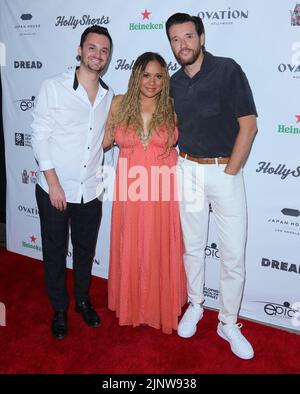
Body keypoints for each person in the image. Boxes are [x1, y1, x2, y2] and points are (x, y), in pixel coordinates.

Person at [166, 13, 258, 358]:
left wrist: (230, 171)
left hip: (225, 171)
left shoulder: (227, 70)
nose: (183, 45)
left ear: (201, 37)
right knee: (192, 246)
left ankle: (229, 322)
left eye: (188, 36)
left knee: (233, 253)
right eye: (175, 40)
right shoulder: (172, 83)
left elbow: (248, 126)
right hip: (186, 168)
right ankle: (195, 304)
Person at [31, 25, 114, 339]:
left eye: (104, 50)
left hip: (90, 190)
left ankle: (81, 300)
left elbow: (102, 140)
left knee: (84, 250)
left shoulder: (109, 95)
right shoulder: (54, 86)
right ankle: (59, 308)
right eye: (92, 48)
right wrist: (53, 183)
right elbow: (39, 138)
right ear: (80, 50)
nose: (98, 55)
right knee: (54, 251)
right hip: (54, 188)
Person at [103, 52, 186, 334]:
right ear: (136, 75)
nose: (152, 82)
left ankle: (159, 306)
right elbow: (100, 142)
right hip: (130, 190)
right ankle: (133, 303)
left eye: (159, 76)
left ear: (165, 79)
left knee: (159, 245)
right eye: (146, 75)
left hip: (163, 191)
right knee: (133, 242)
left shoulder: (171, 106)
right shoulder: (118, 104)